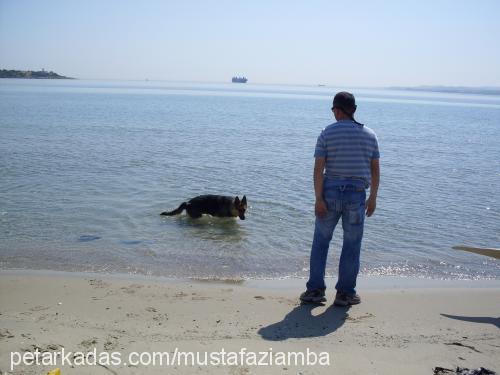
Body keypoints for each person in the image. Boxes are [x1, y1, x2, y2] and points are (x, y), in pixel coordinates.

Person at [300, 92, 380, 306]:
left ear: (337, 109)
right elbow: (375, 170)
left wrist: (318, 198)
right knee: (352, 245)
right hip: (356, 195)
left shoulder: (327, 133)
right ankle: (345, 293)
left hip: (330, 193)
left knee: (320, 242)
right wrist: (373, 197)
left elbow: (318, 170)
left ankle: (315, 291)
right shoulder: (370, 135)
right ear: (353, 110)